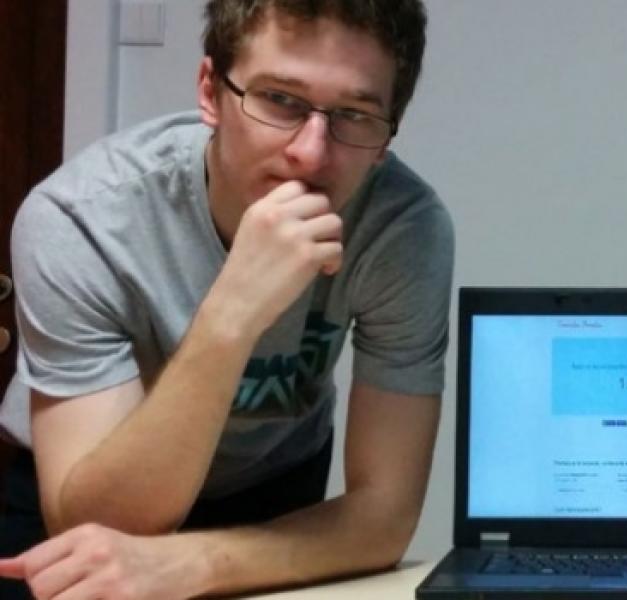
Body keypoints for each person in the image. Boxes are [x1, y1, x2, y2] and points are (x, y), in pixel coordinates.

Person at [0, 0, 452, 597]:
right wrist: (233, 311)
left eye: (354, 114)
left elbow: (384, 516)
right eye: (280, 100)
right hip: (83, 496)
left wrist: (193, 564)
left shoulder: (402, 229)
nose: (311, 152)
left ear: (387, 135)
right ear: (210, 91)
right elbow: (98, 529)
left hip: (277, 499)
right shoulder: (83, 218)